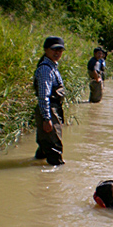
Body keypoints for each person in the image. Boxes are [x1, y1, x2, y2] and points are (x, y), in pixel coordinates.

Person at [33, 36, 66, 165]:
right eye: (54, 50)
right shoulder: (46, 69)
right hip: (49, 109)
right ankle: (56, 178)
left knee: (44, 144)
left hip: (52, 108)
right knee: (54, 147)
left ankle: (35, 167)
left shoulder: (52, 67)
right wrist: (47, 119)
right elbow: (43, 96)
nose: (57, 53)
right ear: (46, 50)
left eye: (60, 50)